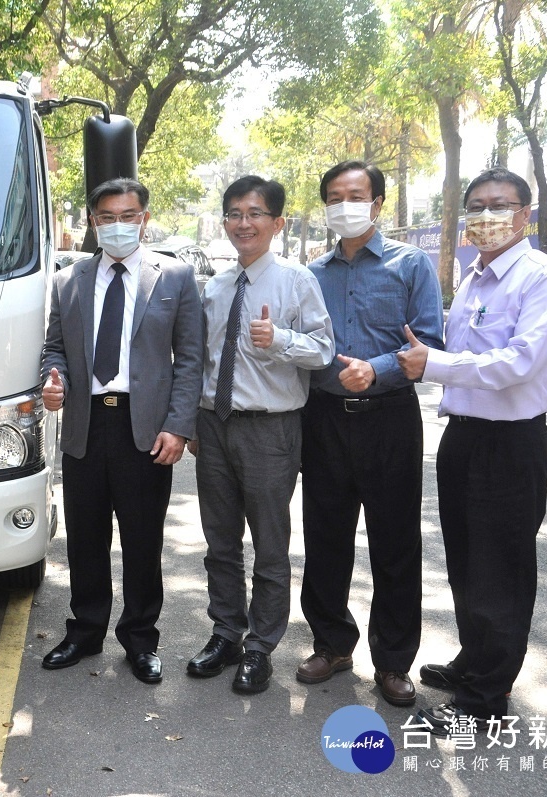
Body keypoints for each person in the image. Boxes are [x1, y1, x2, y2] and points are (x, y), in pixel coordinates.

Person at [397, 167, 547, 734]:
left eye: (500, 205)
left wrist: (435, 364)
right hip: (466, 436)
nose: (485, 217)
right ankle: (474, 662)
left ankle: (486, 697)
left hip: (512, 442)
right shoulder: (475, 277)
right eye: (475, 207)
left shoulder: (544, 279)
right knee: (467, 564)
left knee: (500, 569)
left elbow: (519, 361)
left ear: (525, 214)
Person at [40, 177, 203, 684]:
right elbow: (55, 350)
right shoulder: (69, 281)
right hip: (86, 426)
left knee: (141, 541)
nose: (117, 225)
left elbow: (190, 360)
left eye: (127, 215)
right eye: (106, 217)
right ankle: (85, 632)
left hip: (145, 427)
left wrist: (178, 426)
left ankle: (140, 639)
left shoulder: (175, 277)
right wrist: (56, 381)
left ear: (144, 219)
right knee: (84, 539)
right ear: (93, 222)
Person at [296, 161, 444, 707]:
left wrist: (377, 368)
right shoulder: (311, 273)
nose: (345, 205)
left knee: (396, 543)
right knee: (325, 538)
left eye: (355, 195)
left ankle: (393, 661)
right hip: (325, 420)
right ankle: (331, 643)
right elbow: (301, 344)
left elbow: (428, 342)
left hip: (389, 418)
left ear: (379, 202)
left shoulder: (412, 265)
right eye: (334, 197)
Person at [185, 176, 333, 694]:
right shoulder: (217, 286)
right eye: (234, 214)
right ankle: (226, 632)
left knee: (270, 544)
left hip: (271, 430)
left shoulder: (297, 281)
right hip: (215, 426)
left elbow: (324, 350)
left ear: (277, 222)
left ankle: (259, 647)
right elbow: (202, 362)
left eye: (254, 213)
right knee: (220, 542)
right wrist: (195, 422)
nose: (243, 223)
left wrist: (281, 340)